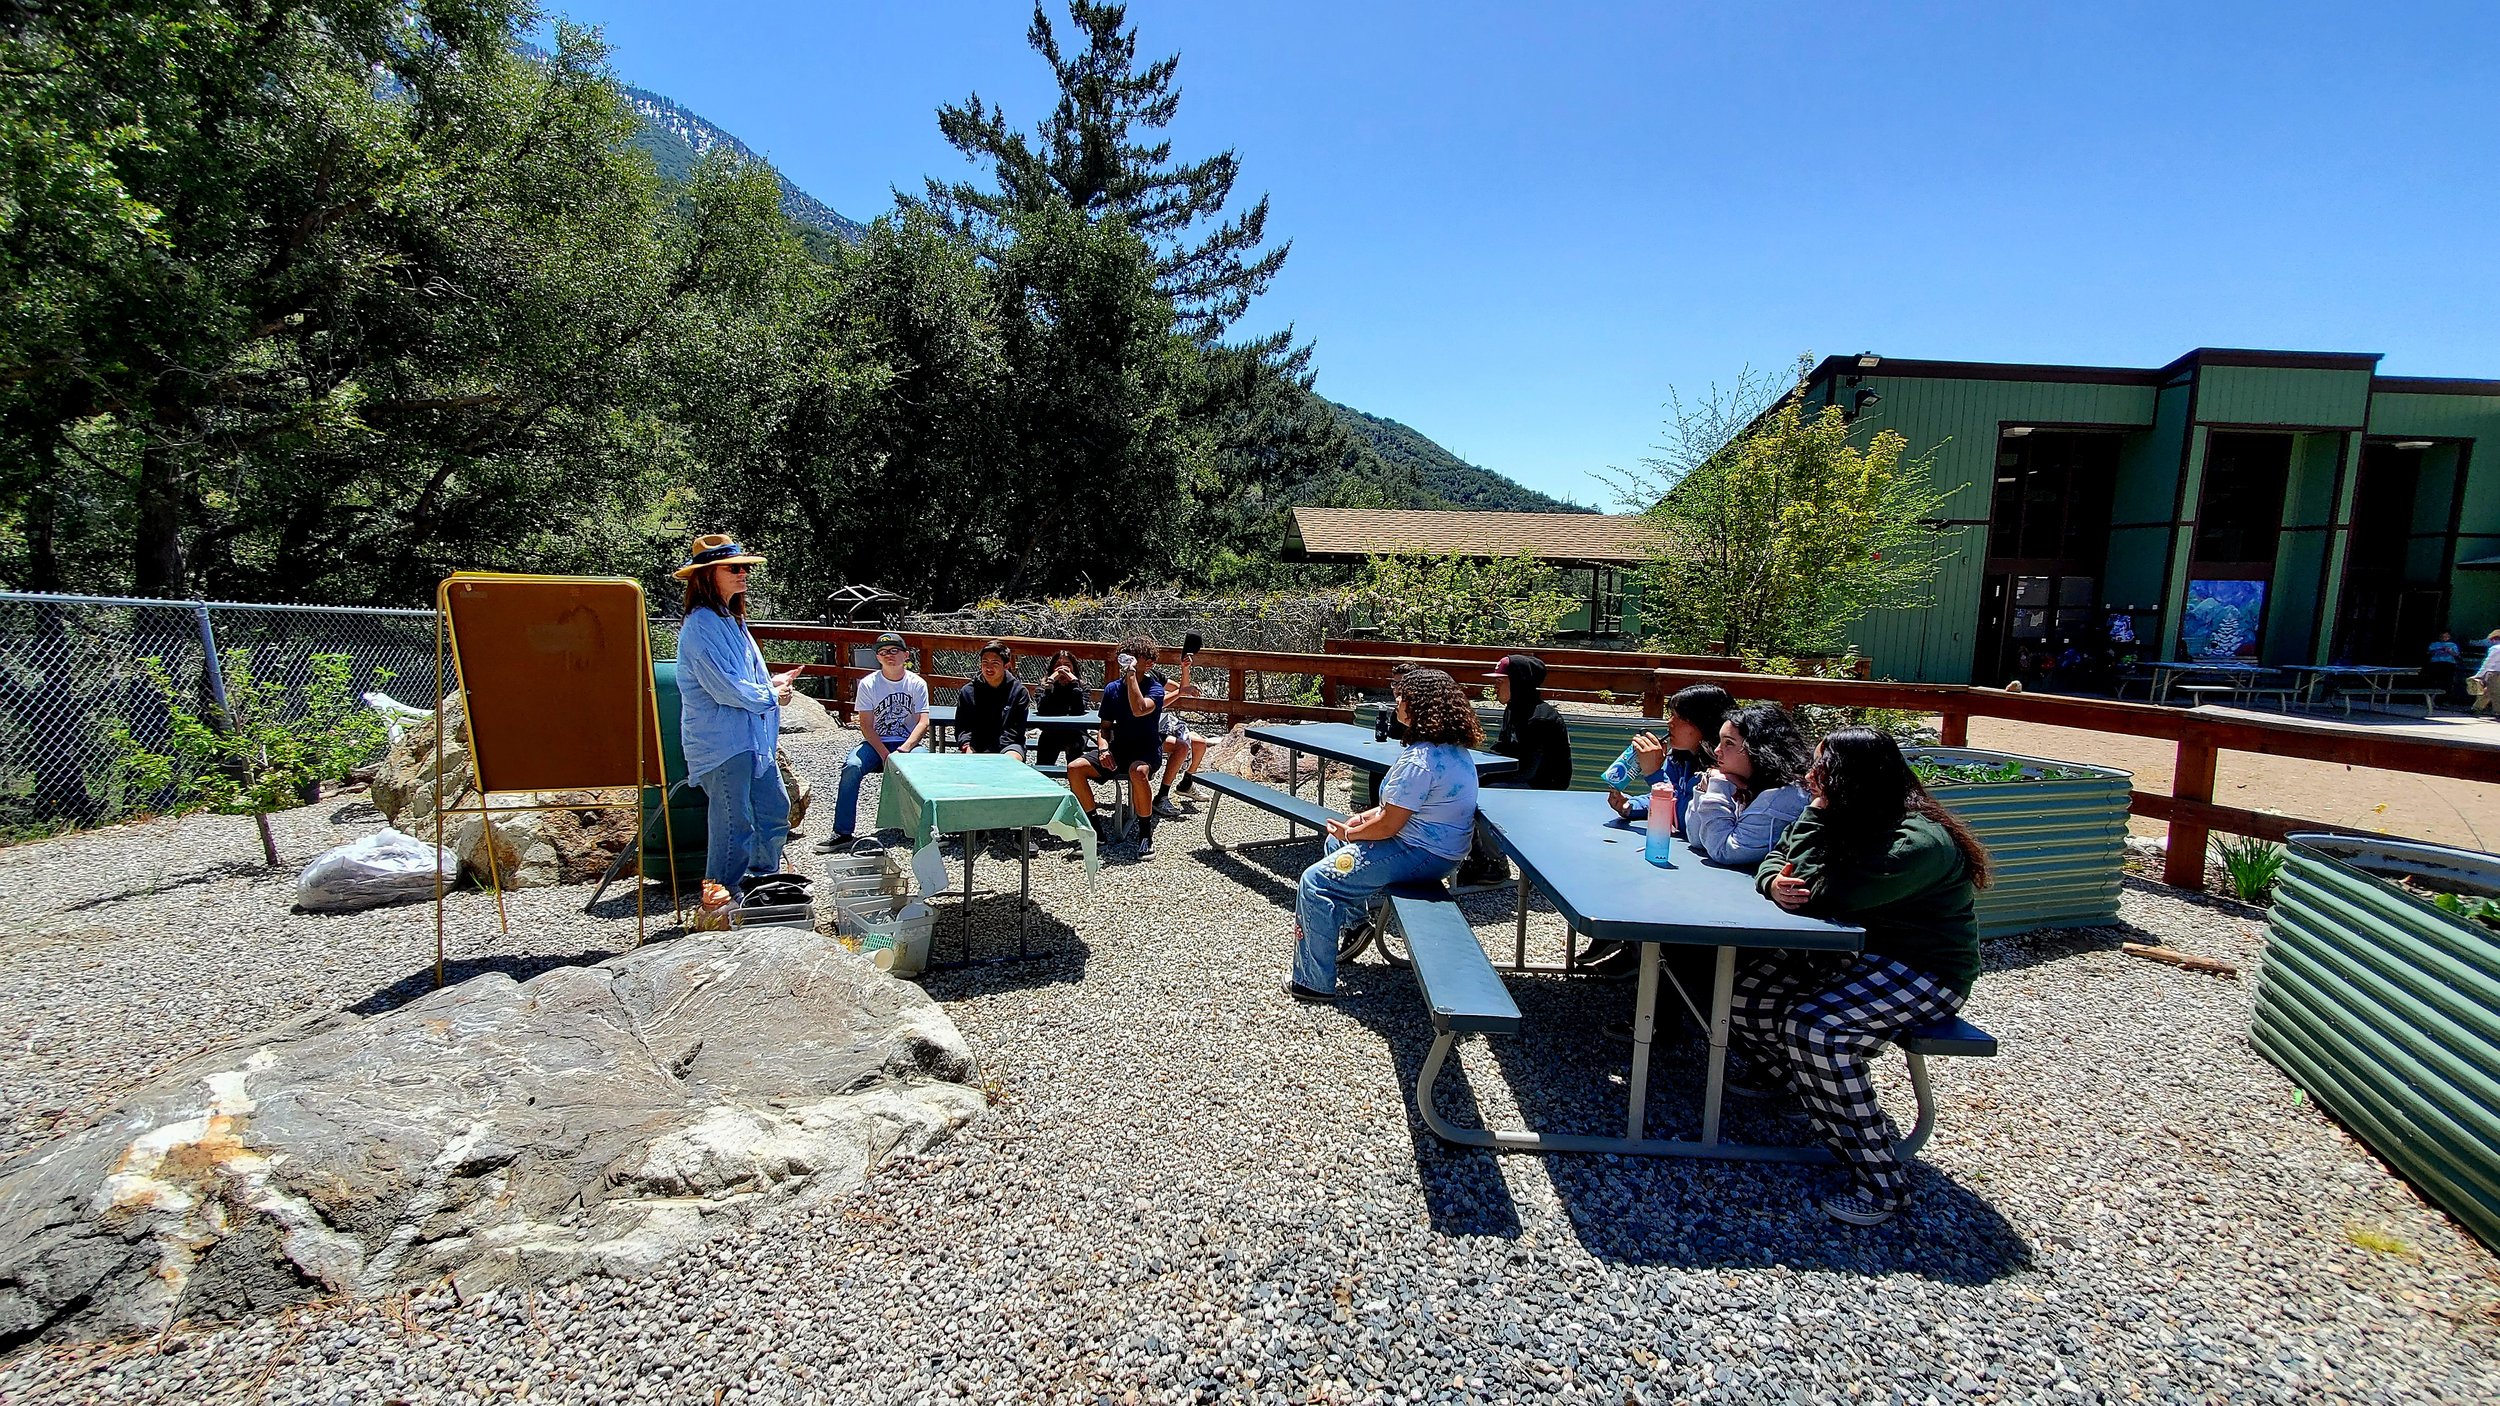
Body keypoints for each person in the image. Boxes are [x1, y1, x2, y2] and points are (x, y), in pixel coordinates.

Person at [1740, 727, 1992, 1227]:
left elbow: (1831, 893)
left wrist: (1811, 822)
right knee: (1747, 995)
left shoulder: (1916, 842)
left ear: (1853, 779)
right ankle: (1803, 1090)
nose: (1810, 777)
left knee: (1816, 1030)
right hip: (1859, 952)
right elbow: (1780, 855)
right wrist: (1774, 882)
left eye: (1822, 770)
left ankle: (1881, 1182)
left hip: (1924, 969)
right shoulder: (1855, 811)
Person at [1289, 668, 1483, 1001]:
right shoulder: (1452, 750)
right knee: (1334, 841)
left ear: (1420, 705)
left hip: (1421, 853)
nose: (1396, 702)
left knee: (1315, 882)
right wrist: (1355, 823)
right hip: (1439, 849)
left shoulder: (1421, 759)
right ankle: (1356, 924)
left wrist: (1354, 835)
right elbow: (1398, 809)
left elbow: (1390, 825)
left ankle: (1312, 982)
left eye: (1402, 696)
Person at [671, 534, 801, 901]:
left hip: (752, 740)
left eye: (745, 567)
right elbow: (724, 688)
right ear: (708, 575)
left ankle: (763, 884)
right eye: (735, 568)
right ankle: (721, 898)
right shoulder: (700, 626)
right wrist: (770, 695)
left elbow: (745, 679)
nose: (744, 573)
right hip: (722, 744)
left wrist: (772, 684)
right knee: (733, 824)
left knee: (774, 810)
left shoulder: (732, 620)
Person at [1456, 653, 1571, 887]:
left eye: (1501, 680)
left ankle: (1495, 863)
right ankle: (1478, 858)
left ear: (1519, 682)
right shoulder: (1514, 709)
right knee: (1464, 788)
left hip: (1544, 786)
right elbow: (1502, 748)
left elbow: (1529, 773)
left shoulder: (1540, 719)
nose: (1495, 685)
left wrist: (1482, 777)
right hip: (1524, 778)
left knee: (1480, 796)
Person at [829, 631, 930, 844]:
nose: (889, 655)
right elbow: (865, 725)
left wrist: (904, 750)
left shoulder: (917, 683)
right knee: (851, 767)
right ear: (877, 657)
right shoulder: (868, 684)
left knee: (927, 766)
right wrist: (885, 754)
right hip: (876, 743)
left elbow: (923, 722)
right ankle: (842, 831)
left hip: (907, 744)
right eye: (883, 652)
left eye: (894, 651)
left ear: (906, 655)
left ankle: (927, 829)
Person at [1067, 636, 1166, 854]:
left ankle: (1145, 834)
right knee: (1075, 768)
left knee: (1137, 771)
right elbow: (1104, 728)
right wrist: (1103, 749)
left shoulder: (1155, 688)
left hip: (1147, 750)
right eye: (1142, 657)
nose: (1149, 661)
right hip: (1119, 749)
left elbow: (1139, 708)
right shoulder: (1112, 689)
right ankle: (1096, 833)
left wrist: (1131, 674)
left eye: (1151, 657)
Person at [1684, 703, 1812, 866]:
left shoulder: (1781, 796)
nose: (1717, 750)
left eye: (1729, 743)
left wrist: (1718, 784)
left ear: (1759, 748)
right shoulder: (1743, 781)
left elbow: (1723, 850)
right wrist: (1704, 790)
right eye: (1720, 741)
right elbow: (1697, 839)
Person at [1607, 683, 1738, 834]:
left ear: (1703, 722)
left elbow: (1687, 819)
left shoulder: (1720, 770)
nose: (1670, 722)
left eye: (1680, 717)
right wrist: (1631, 806)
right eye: (1671, 715)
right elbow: (1668, 797)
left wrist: (1654, 774)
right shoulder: (1678, 758)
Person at [1153, 653, 1211, 818]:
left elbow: (1181, 690)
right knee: (1181, 747)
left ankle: (1186, 783)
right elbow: (1152, 705)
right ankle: (1162, 796)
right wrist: (1179, 693)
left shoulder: (1155, 675)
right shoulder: (1134, 679)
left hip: (1163, 724)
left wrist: (1185, 669)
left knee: (1200, 744)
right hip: (1148, 731)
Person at [955, 639, 1032, 760]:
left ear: (1006, 666)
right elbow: (963, 727)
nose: (989, 668)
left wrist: (992, 754)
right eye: (985, 662)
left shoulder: (1019, 692)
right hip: (977, 744)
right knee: (967, 761)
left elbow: (1015, 731)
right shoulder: (968, 691)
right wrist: (967, 746)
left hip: (1009, 745)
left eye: (995, 663)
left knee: (1009, 760)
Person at [1031, 649, 1091, 766]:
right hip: (1052, 731)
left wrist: (1074, 683)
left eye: (1067, 666)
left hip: (1076, 732)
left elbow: (1078, 710)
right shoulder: (1044, 686)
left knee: (1074, 745)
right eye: (1058, 666)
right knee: (1046, 742)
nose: (1062, 670)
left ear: (1073, 668)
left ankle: (1075, 779)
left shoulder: (1082, 686)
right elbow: (1042, 709)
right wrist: (1050, 685)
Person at [2427, 631, 2462, 705]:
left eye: (2446, 637)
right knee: (2435, 681)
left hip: (2448, 664)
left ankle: (2444, 700)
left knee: (2447, 682)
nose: (2444, 638)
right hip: (2436, 663)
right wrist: (2439, 650)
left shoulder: (2453, 645)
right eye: (2442, 636)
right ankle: (2431, 699)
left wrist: (2449, 651)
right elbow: (2429, 652)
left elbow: (2456, 654)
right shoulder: (2434, 644)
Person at [2474, 629, 2500, 719]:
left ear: (2493, 639)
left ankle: (2498, 712)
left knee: (2494, 693)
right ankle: (2476, 708)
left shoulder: (2495, 648)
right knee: (2488, 691)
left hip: (2495, 673)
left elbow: (2488, 663)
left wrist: (2479, 674)